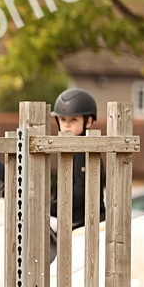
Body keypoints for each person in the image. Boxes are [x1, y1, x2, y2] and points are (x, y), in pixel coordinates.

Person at [49, 87, 105, 231]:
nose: (67, 124)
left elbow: (80, 193)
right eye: (62, 119)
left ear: (88, 122)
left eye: (73, 120)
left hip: (84, 220)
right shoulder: (69, 151)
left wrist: (50, 208)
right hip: (71, 216)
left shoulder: (84, 151)